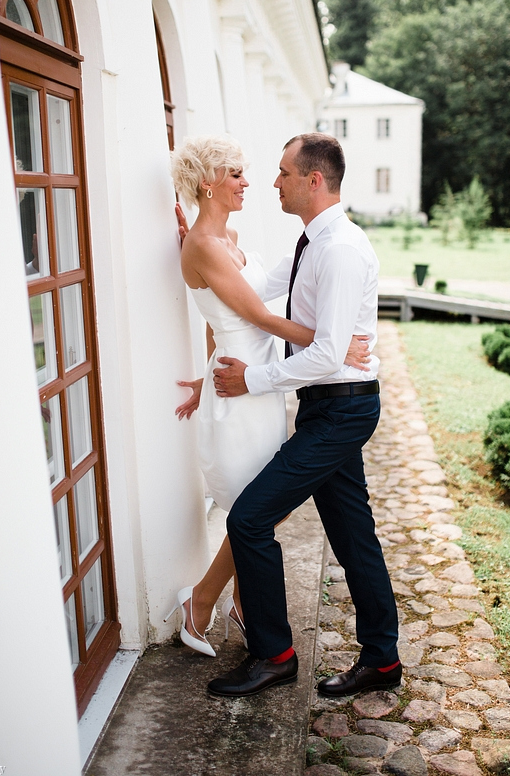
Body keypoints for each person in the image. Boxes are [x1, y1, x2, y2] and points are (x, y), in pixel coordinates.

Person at [207, 132, 400, 699]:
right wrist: (202, 235)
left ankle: (275, 654)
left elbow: (325, 353)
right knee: (353, 535)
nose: (274, 183)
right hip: (326, 408)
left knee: (247, 520)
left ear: (314, 180)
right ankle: (383, 660)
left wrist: (252, 380)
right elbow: (254, 293)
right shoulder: (309, 243)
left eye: (284, 173)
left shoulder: (339, 248)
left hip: (342, 410)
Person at [166, 134, 370, 658]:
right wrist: (334, 341)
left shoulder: (229, 239)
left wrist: (208, 364)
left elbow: (233, 308)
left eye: (264, 171)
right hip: (242, 390)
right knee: (250, 508)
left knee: (262, 509)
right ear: (208, 184)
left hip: (260, 385)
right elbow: (254, 316)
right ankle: (207, 603)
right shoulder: (206, 246)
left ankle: (241, 601)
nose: (251, 181)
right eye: (235, 173)